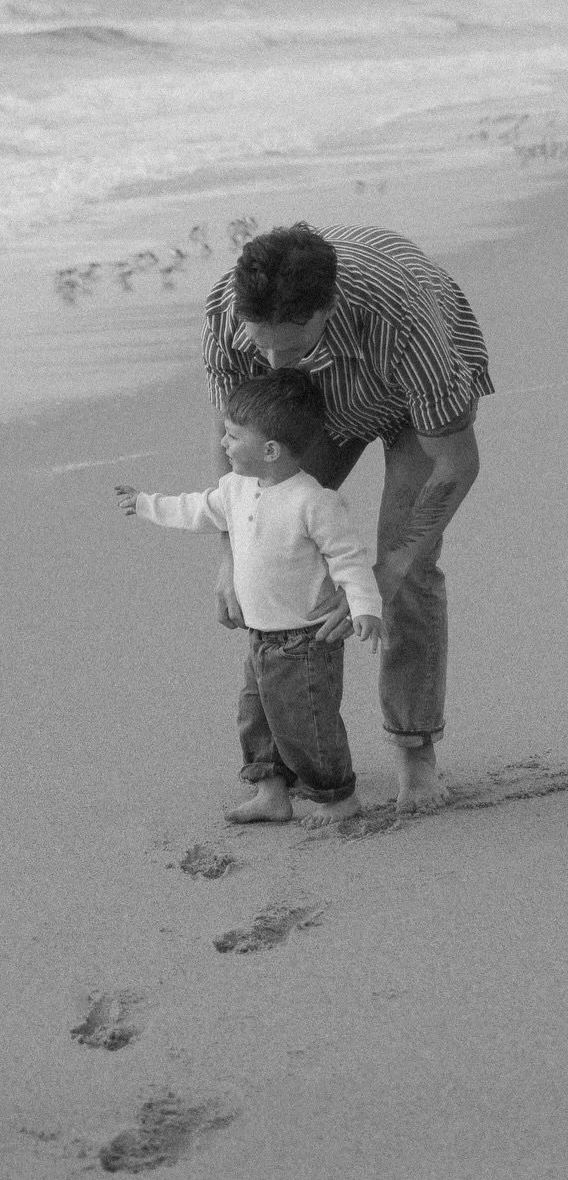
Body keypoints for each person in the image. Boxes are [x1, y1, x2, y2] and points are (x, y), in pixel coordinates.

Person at [203, 223, 491, 813]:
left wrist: (389, 567)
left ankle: (416, 754)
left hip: (410, 400)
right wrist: (231, 555)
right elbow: (235, 442)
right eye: (262, 345)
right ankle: (274, 773)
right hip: (308, 408)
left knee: (407, 571)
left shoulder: (402, 320)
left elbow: (456, 461)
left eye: (291, 346)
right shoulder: (228, 312)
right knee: (270, 549)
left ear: (327, 308)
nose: (275, 362)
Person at [117, 370, 384, 826]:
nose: (223, 443)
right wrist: (145, 503)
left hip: (307, 641)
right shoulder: (235, 489)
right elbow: (195, 509)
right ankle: (270, 792)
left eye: (233, 436)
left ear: (270, 450)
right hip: (259, 636)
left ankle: (336, 796)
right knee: (255, 717)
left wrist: (365, 607)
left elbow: (349, 559)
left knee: (307, 724)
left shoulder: (314, 502)